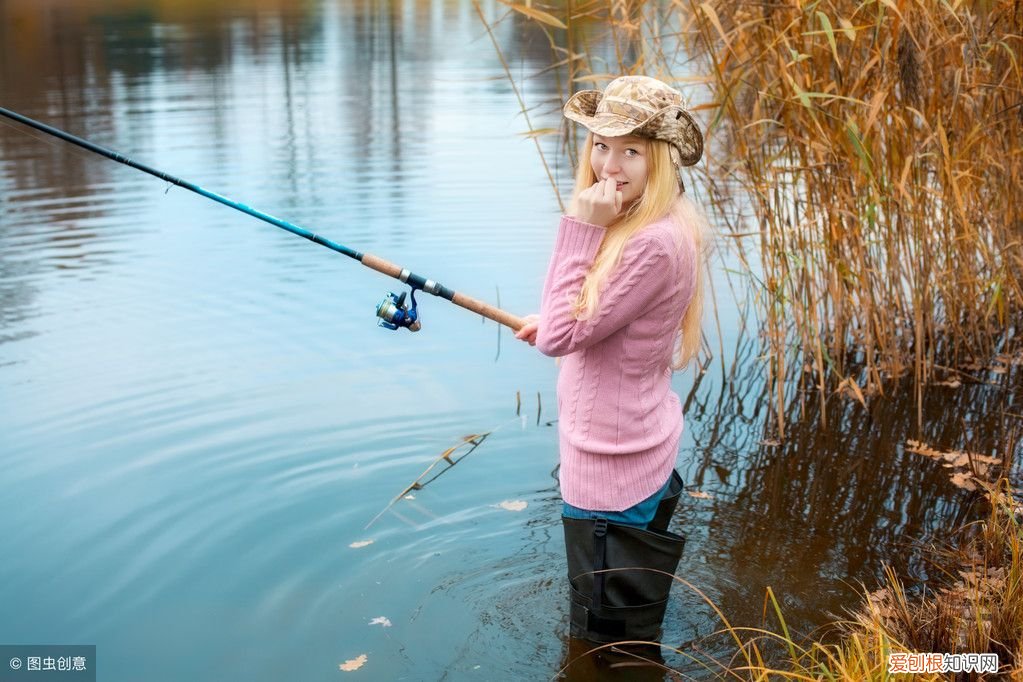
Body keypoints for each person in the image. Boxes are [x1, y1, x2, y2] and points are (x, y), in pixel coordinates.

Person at [514, 75, 706, 643]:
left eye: (631, 151)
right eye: (601, 145)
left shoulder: (649, 242)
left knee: (606, 643)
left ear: (662, 159)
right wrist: (557, 321)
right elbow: (584, 321)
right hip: (636, 451)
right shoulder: (658, 225)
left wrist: (579, 228)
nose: (609, 165)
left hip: (610, 473)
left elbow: (560, 338)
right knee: (622, 629)